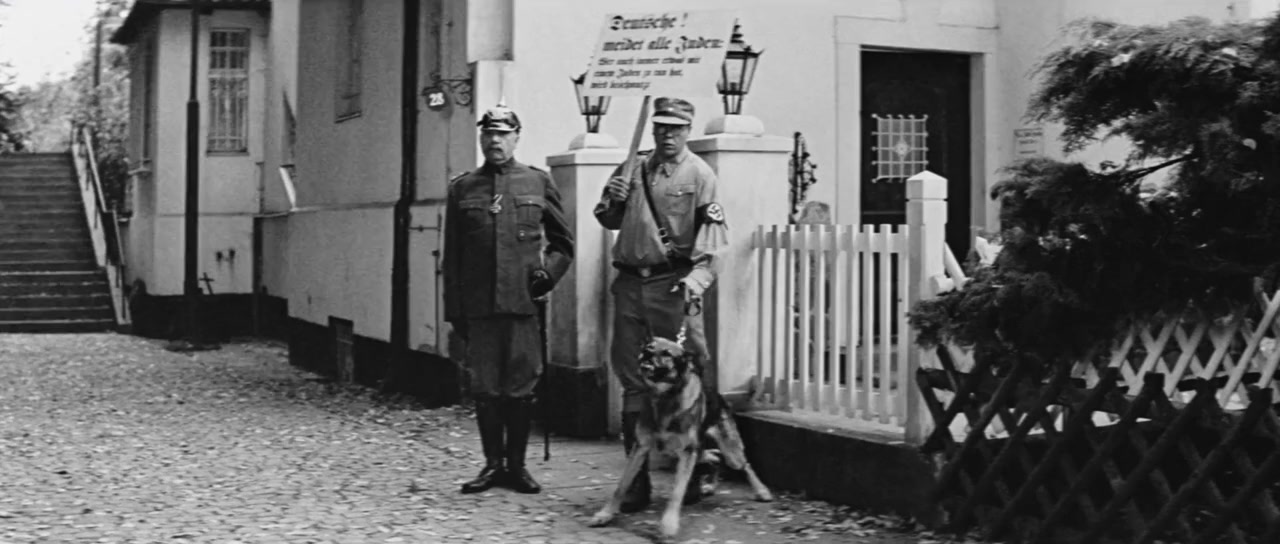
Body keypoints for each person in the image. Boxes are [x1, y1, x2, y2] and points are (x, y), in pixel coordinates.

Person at [594, 96, 730, 511]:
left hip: (672, 285)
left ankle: (699, 465)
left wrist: (696, 280)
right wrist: (614, 198)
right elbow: (607, 217)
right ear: (652, 128)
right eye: (661, 127)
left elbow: (715, 239)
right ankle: (636, 483)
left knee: (685, 374)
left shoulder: (700, 175)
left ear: (688, 130)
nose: (668, 135)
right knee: (632, 375)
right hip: (629, 283)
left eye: (676, 128)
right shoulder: (632, 166)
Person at [443, 103, 574, 495]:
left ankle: (517, 467)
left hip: (522, 304)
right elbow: (453, 256)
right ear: (481, 138)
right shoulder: (463, 188)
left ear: (517, 138)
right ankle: (492, 465)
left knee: (520, 388)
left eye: (503, 134)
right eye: (489, 134)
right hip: (479, 307)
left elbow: (563, 244)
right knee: (485, 388)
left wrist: (547, 276)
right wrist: (455, 311)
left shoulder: (537, 182)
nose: (495, 141)